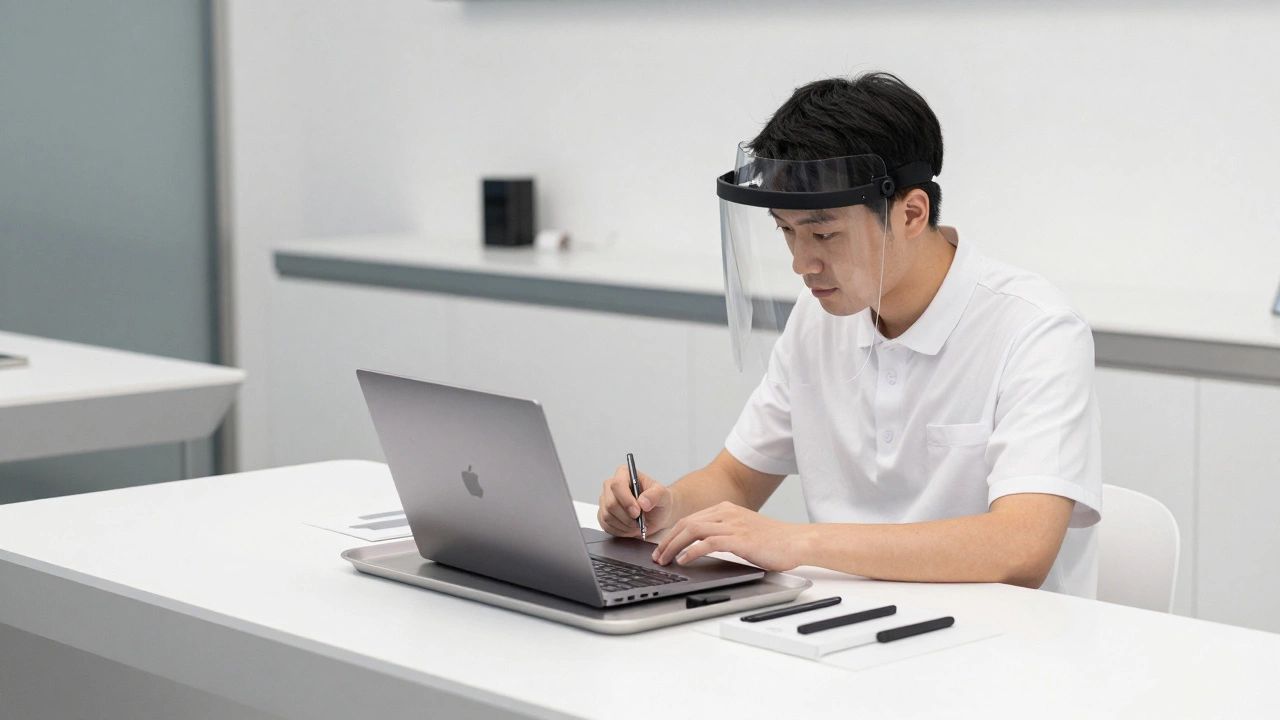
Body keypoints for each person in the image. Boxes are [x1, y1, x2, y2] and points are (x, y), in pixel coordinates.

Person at [597, 72, 1102, 597]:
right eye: (786, 230)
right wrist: (663, 508)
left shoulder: (1036, 329)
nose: (802, 263)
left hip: (1003, 636)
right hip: (845, 619)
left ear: (911, 213)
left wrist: (797, 542)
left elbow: (1021, 548)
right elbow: (737, 479)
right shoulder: (819, 317)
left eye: (824, 233)